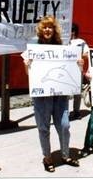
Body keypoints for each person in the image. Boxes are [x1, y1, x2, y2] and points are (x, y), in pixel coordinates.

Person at [23, 16, 80, 172]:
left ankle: (65, 155)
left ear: (54, 30)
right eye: (45, 27)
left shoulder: (61, 46)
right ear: (41, 29)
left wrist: (78, 64)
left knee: (64, 125)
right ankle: (47, 158)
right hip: (42, 96)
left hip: (60, 95)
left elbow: (71, 68)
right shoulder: (34, 46)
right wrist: (27, 65)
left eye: (50, 27)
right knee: (43, 128)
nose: (47, 30)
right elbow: (28, 74)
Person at [69, 23, 90, 120]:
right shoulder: (63, 41)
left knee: (77, 92)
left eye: (72, 30)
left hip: (77, 69)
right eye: (70, 30)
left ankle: (76, 111)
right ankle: (64, 112)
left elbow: (87, 54)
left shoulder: (81, 42)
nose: (71, 32)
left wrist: (78, 55)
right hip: (66, 69)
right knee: (64, 91)